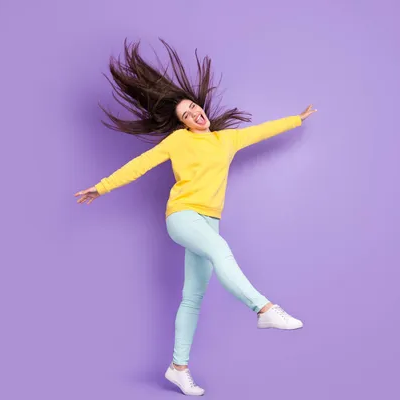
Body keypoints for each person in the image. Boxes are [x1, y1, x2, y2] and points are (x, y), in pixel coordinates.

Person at [74, 39, 317, 396]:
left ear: (202, 108)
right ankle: (264, 308)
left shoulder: (226, 140)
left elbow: (261, 131)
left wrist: (297, 119)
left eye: (194, 109)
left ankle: (178, 368)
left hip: (209, 220)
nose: (193, 115)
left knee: (192, 297)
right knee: (221, 253)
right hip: (183, 216)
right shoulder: (178, 141)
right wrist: (103, 187)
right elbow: (140, 165)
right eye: (186, 115)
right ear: (183, 124)